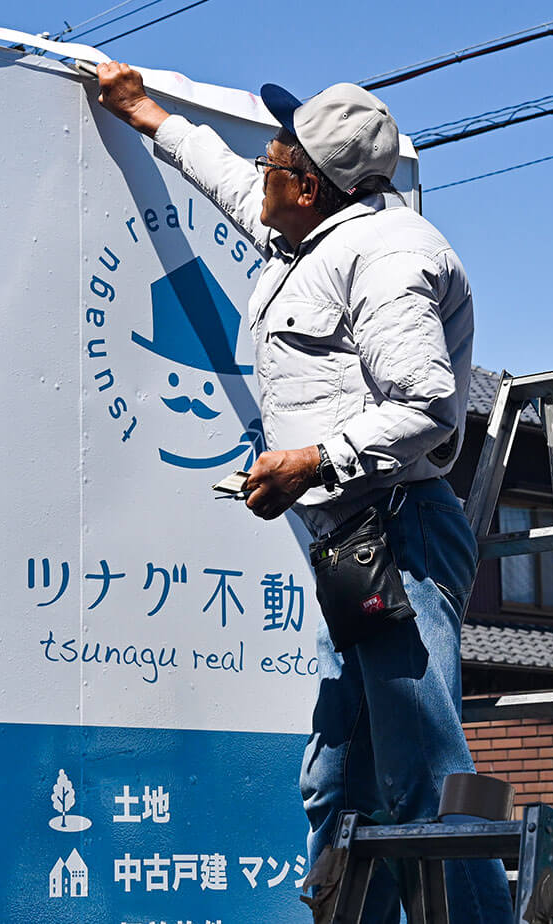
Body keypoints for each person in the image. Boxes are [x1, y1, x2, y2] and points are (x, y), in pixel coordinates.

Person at [97, 64, 511, 922]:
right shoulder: (312, 235)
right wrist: (144, 112)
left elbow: (428, 408)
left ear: (311, 185)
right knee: (337, 783)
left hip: (396, 539)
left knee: (422, 778)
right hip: (350, 550)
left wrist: (309, 462)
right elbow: (222, 179)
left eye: (278, 153)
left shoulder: (390, 258)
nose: (263, 164)